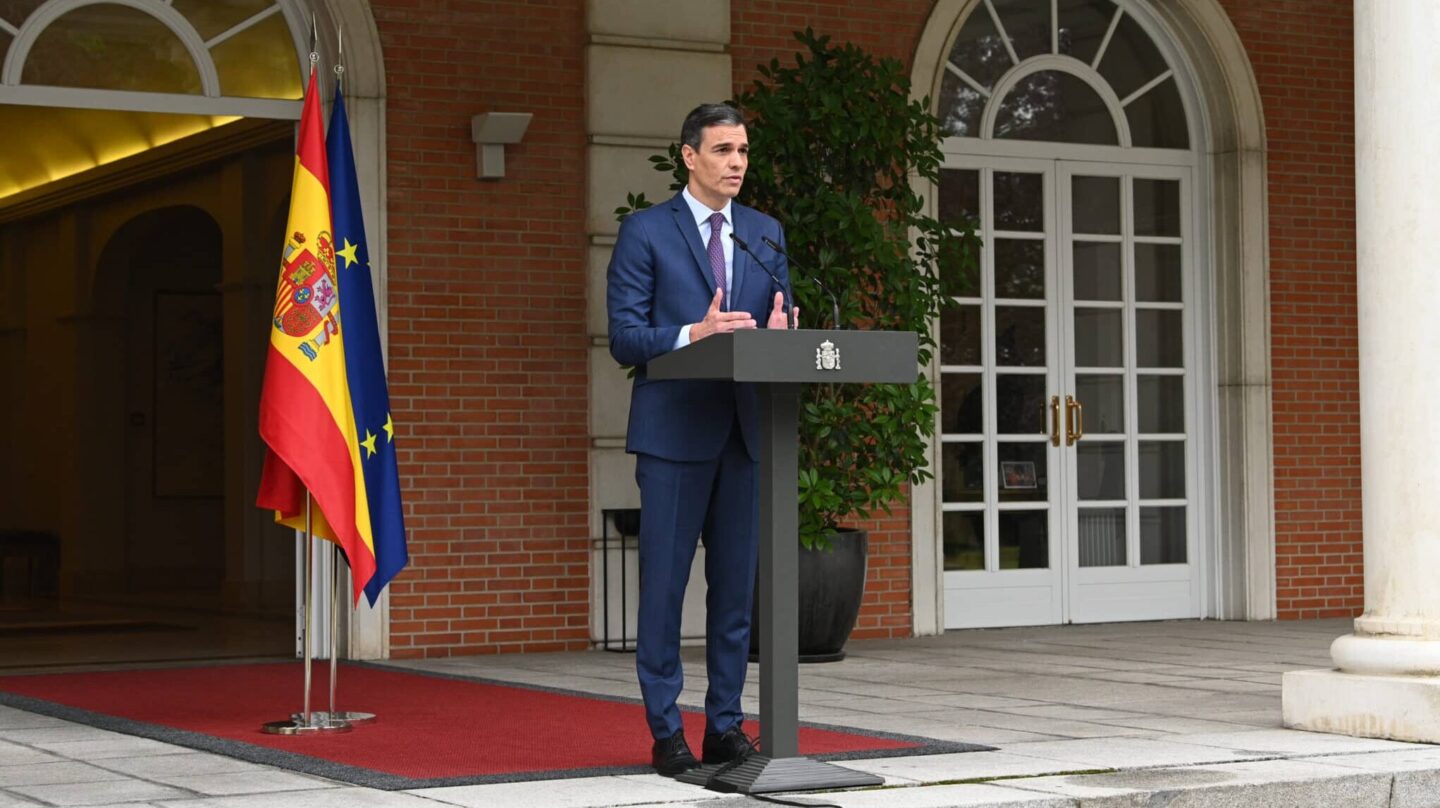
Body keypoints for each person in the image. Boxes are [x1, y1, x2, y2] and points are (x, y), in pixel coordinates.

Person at [606, 103, 796, 776]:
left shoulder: (765, 234)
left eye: (743, 149)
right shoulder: (646, 233)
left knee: (734, 592)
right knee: (663, 589)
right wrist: (697, 332)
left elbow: (779, 317)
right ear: (689, 156)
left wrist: (781, 339)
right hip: (673, 433)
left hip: (744, 433)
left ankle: (725, 726)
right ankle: (666, 732)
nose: (737, 162)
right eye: (722, 150)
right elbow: (626, 339)